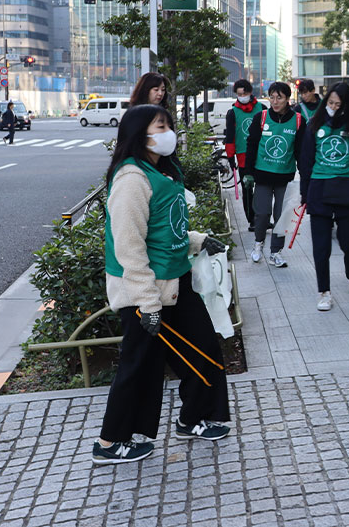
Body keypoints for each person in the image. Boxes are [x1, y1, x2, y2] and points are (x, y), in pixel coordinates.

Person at [93, 99, 231, 465]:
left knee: (204, 349)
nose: (167, 133)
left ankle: (193, 419)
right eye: (159, 126)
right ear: (139, 135)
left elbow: (164, 229)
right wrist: (147, 304)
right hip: (145, 292)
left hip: (176, 281)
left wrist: (198, 240)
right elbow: (128, 245)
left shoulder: (162, 171)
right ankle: (109, 444)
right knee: (139, 367)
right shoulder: (131, 179)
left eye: (167, 125)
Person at [298, 82, 349, 312]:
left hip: (347, 189)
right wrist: (304, 193)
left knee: (348, 240)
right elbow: (306, 161)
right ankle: (324, 292)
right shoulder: (315, 124)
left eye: (338, 104)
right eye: (330, 103)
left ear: (346, 105)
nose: (333, 107)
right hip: (319, 190)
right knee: (321, 245)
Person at [244, 81, 305, 268]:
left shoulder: (298, 120)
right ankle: (258, 244)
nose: (275, 101)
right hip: (262, 176)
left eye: (279, 97)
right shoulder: (260, 117)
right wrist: (248, 172)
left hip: (284, 177)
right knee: (262, 213)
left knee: (281, 216)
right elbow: (252, 145)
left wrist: (306, 178)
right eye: (272, 96)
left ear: (287, 99)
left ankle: (276, 252)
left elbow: (301, 151)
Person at [224, 79, 266, 231]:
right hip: (243, 157)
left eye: (245, 93)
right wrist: (230, 157)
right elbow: (230, 136)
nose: (242, 96)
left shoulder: (262, 108)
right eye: (239, 94)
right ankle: (252, 220)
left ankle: (263, 218)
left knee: (263, 189)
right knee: (248, 190)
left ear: (250, 93)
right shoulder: (232, 112)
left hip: (261, 155)